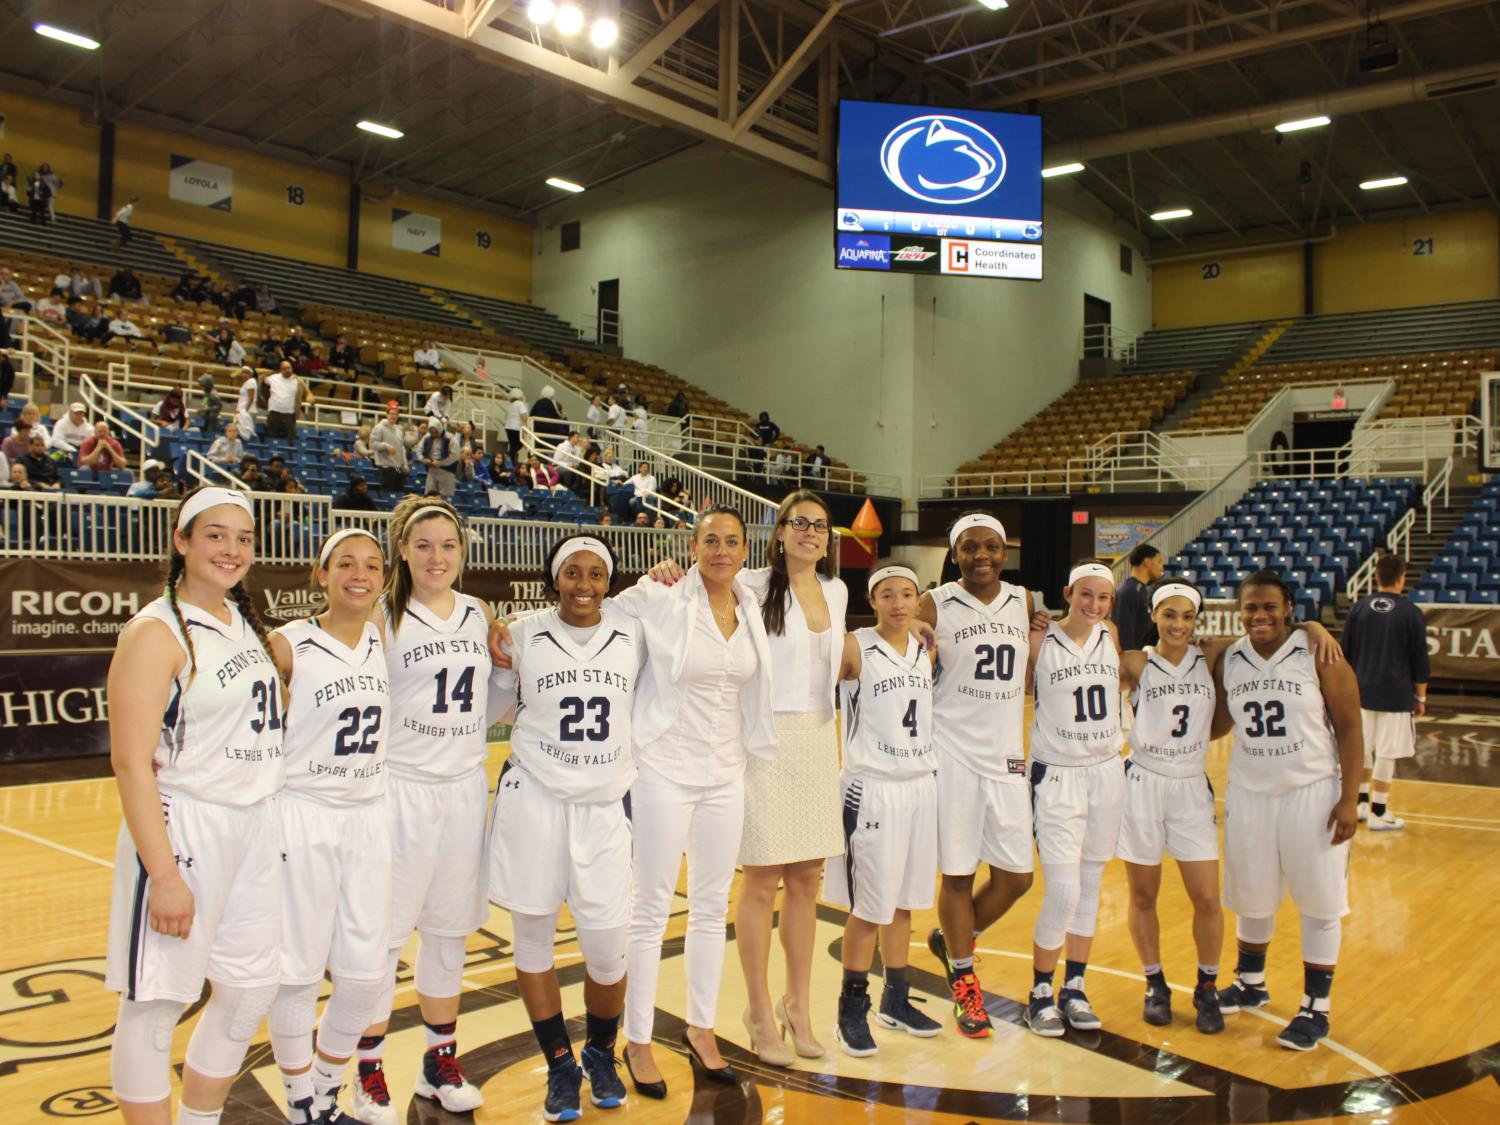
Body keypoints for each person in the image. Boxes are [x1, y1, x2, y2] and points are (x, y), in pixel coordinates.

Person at [102, 486, 284, 1125]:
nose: (231, 549)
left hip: (255, 826)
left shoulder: (242, 624)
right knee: (155, 1007)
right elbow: (130, 762)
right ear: (181, 542)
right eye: (215, 535)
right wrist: (164, 875)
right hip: (185, 829)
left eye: (243, 538)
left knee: (250, 988)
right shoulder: (155, 632)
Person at [352, 498, 496, 1122]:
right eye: (424, 546)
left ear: (462, 552)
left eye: (448, 546)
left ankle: (439, 1064)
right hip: (399, 790)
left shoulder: (478, 612)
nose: (438, 557)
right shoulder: (380, 616)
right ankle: (367, 1073)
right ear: (403, 552)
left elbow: (491, 697)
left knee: (447, 934)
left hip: (462, 789)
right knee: (383, 941)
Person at [487, 535, 640, 1120]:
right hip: (535, 798)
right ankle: (558, 1064)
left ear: (609, 582)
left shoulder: (633, 631)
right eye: (572, 572)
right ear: (554, 578)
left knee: (608, 949)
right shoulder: (522, 634)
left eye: (596, 574)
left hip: (604, 805)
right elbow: (494, 704)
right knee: (533, 941)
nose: (584, 585)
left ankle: (600, 1051)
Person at [266, 528, 392, 1125]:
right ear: (321, 575)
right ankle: (302, 1106)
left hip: (368, 816)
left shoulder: (381, 636)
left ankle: (324, 1090)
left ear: (384, 579)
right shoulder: (286, 644)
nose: (358, 574)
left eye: (371, 565)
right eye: (345, 564)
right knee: (296, 974)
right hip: (304, 814)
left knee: (366, 976)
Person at [1212, 570, 1363, 1051]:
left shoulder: (1318, 652)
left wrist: (1350, 798)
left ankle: (1316, 1008)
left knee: (1320, 900)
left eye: (1269, 607)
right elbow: (1217, 725)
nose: (1259, 615)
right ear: (1239, 612)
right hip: (1250, 792)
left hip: (1311, 792)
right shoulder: (1230, 658)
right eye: (1251, 607)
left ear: (1289, 609)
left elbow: (1350, 727)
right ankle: (1250, 983)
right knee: (1251, 894)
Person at [920, 514, 1036, 1039]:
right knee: (959, 875)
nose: (981, 555)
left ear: (1005, 553)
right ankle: (964, 982)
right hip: (953, 752)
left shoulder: (1022, 600)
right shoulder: (935, 602)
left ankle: (953, 940)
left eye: (991, 546)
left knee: (1017, 878)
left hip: (1007, 754)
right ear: (955, 554)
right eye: (970, 547)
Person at [825, 561, 942, 1056]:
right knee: (869, 909)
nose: (898, 603)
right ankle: (850, 1011)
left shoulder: (923, 646)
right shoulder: (854, 646)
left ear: (918, 599)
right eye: (887, 594)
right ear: (871, 600)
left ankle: (896, 1000)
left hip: (919, 786)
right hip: (872, 789)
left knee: (903, 903)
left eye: (907, 594)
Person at [1117, 578, 1225, 1034]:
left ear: (1197, 620)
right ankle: (1155, 983)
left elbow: (1265, 638)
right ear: (1154, 616)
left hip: (1191, 785)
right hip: (1143, 782)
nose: (1178, 625)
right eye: (1169, 615)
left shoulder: (1212, 656)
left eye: (1187, 616)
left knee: (1208, 898)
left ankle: (1207, 986)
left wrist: (1314, 628)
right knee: (1143, 895)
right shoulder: (1136, 662)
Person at [1023, 559, 1125, 1038]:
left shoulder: (1112, 634)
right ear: (1067, 593)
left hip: (1106, 771)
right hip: (1057, 773)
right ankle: (1040, 992)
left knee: (1089, 886)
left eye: (1103, 597)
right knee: (1063, 890)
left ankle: (1075, 987)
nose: (1094, 605)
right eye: (1086, 594)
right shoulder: (1040, 638)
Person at [1342, 554, 1429, 831]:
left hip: (1361, 691)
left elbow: (1346, 654)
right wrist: (1421, 697)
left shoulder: (1359, 608)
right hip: (1395, 693)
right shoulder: (1411, 612)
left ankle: (1360, 803)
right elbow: (1420, 659)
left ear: (1376, 576)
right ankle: (1379, 811)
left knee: (1363, 749)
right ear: (1402, 578)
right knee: (1387, 753)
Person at [1114, 544, 1164, 651]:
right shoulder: (1129, 590)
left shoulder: (1142, 589)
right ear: (1147, 562)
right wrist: (1131, 657)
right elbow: (1124, 632)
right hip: (1133, 656)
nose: (1161, 568)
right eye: (1159, 562)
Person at [265, 361, 310, 440]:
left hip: (290, 414)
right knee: (271, 436)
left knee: (289, 438)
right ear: (280, 370)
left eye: (289, 368)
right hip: (274, 413)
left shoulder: (298, 381)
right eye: (285, 368)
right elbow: (260, 376)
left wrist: (309, 399)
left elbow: (307, 392)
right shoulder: (272, 378)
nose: (288, 370)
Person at [370, 402, 408, 494]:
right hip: (386, 468)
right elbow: (373, 444)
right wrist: (386, 446)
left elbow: (401, 449)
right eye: (391, 413)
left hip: (397, 468)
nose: (393, 416)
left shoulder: (398, 431)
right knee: (387, 494)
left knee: (399, 495)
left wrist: (404, 464)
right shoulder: (379, 428)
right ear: (387, 414)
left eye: (395, 414)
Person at [418, 419, 459, 500]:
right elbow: (419, 450)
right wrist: (423, 459)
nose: (434, 434)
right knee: (429, 497)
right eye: (432, 432)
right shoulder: (427, 437)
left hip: (447, 471)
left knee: (446, 498)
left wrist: (441, 463)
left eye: (436, 432)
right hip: (431, 470)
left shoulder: (450, 438)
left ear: (440, 429)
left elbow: (455, 456)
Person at [503, 387, 527, 463]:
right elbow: (524, 416)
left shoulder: (509, 405)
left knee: (512, 445)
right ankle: (508, 453)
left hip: (508, 427)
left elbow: (506, 417)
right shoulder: (520, 404)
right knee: (520, 443)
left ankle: (512, 463)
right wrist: (527, 425)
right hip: (516, 427)